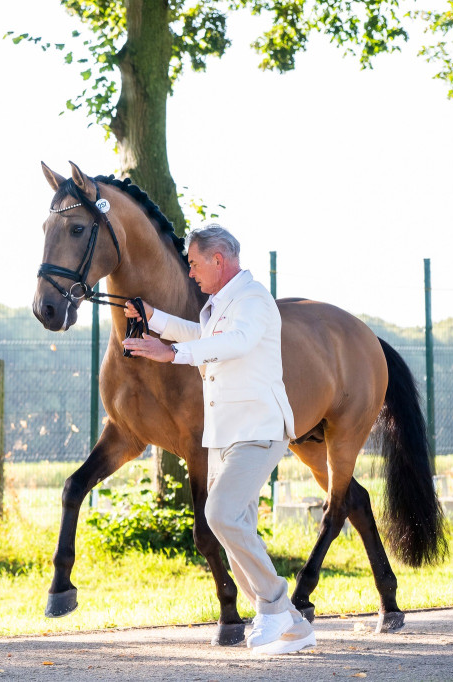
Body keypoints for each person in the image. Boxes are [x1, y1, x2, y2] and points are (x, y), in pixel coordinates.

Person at [121, 224, 315, 656]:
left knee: (221, 515)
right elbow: (206, 338)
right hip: (227, 433)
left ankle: (274, 607)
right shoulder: (220, 306)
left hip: (258, 429)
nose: (190, 273)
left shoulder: (253, 300)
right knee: (232, 527)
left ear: (218, 261)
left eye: (193, 263)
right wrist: (155, 321)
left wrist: (173, 354)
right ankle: (294, 625)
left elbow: (238, 343)